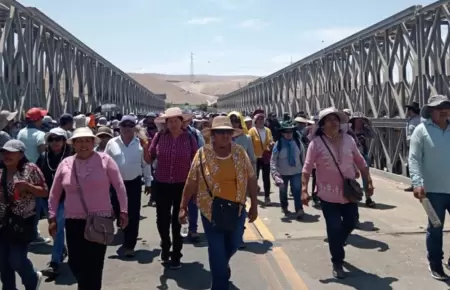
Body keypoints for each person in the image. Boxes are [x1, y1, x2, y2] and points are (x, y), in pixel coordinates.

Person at [179, 116, 258, 290]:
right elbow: (191, 181)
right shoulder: (202, 154)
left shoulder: (239, 152)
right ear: (213, 135)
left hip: (236, 209)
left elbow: (251, 178)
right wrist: (183, 207)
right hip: (210, 210)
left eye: (228, 132)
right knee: (216, 249)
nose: (224, 136)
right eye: (220, 132)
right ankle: (220, 284)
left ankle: (223, 264)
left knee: (234, 242)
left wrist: (254, 205)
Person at [47, 127, 129, 290]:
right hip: (73, 221)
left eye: (87, 140)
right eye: (79, 141)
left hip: (100, 220)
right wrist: (52, 217)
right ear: (73, 144)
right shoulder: (66, 163)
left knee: (94, 264)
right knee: (75, 262)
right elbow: (55, 193)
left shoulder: (105, 160)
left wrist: (124, 211)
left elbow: (119, 186)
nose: (83, 144)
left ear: (93, 142)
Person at [301, 107, 373, 279]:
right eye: (329, 119)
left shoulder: (349, 139)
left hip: (349, 193)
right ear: (322, 124)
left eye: (336, 119)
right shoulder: (315, 144)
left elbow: (361, 162)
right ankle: (337, 262)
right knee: (333, 227)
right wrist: (304, 189)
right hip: (327, 194)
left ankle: (337, 242)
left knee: (351, 222)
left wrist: (368, 181)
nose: (333, 122)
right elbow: (307, 168)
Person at [147, 107, 198, 269]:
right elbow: (149, 159)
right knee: (162, 219)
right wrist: (144, 145)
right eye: (170, 121)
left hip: (182, 185)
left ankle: (176, 254)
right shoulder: (159, 137)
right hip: (161, 183)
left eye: (176, 120)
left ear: (182, 122)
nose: (173, 124)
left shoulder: (190, 138)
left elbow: (196, 162)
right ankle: (165, 245)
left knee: (179, 219)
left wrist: (196, 187)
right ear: (166, 123)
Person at [409, 95, 450, 280]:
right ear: (431, 111)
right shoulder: (421, 130)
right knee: (435, 228)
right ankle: (435, 263)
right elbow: (414, 158)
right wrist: (417, 183)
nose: (444, 109)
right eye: (439, 107)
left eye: (446, 106)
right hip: (433, 191)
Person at [0, 139, 48, 289]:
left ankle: (32, 279)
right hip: (2, 222)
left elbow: (45, 191)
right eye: (4, 152)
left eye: (11, 152)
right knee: (2, 263)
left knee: (16, 260)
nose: (6, 155)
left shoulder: (30, 169)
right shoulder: (0, 170)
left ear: (20, 154)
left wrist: (28, 187)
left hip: (22, 222)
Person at [36, 128, 72, 277]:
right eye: (51, 139)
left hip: (66, 198)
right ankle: (61, 249)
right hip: (46, 199)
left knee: (56, 227)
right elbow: (37, 175)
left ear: (64, 140)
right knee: (55, 229)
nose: (55, 142)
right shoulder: (43, 157)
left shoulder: (71, 157)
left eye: (58, 139)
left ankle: (55, 262)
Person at [270, 121, 306, 219]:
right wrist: (274, 173)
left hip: (296, 172)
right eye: (286, 132)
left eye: (290, 132)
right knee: (283, 191)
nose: (288, 134)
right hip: (282, 173)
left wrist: (305, 171)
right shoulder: (279, 144)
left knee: (297, 191)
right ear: (282, 133)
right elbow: (273, 160)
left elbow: (303, 157)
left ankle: (299, 209)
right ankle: (284, 206)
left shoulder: (298, 143)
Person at [248, 111, 273, 205]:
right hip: (255, 158)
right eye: (259, 119)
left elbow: (270, 139)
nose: (261, 120)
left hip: (265, 156)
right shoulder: (251, 131)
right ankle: (253, 194)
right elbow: (249, 144)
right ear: (255, 120)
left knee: (266, 177)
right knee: (254, 177)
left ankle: (267, 197)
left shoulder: (268, 130)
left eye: (262, 118)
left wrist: (271, 143)